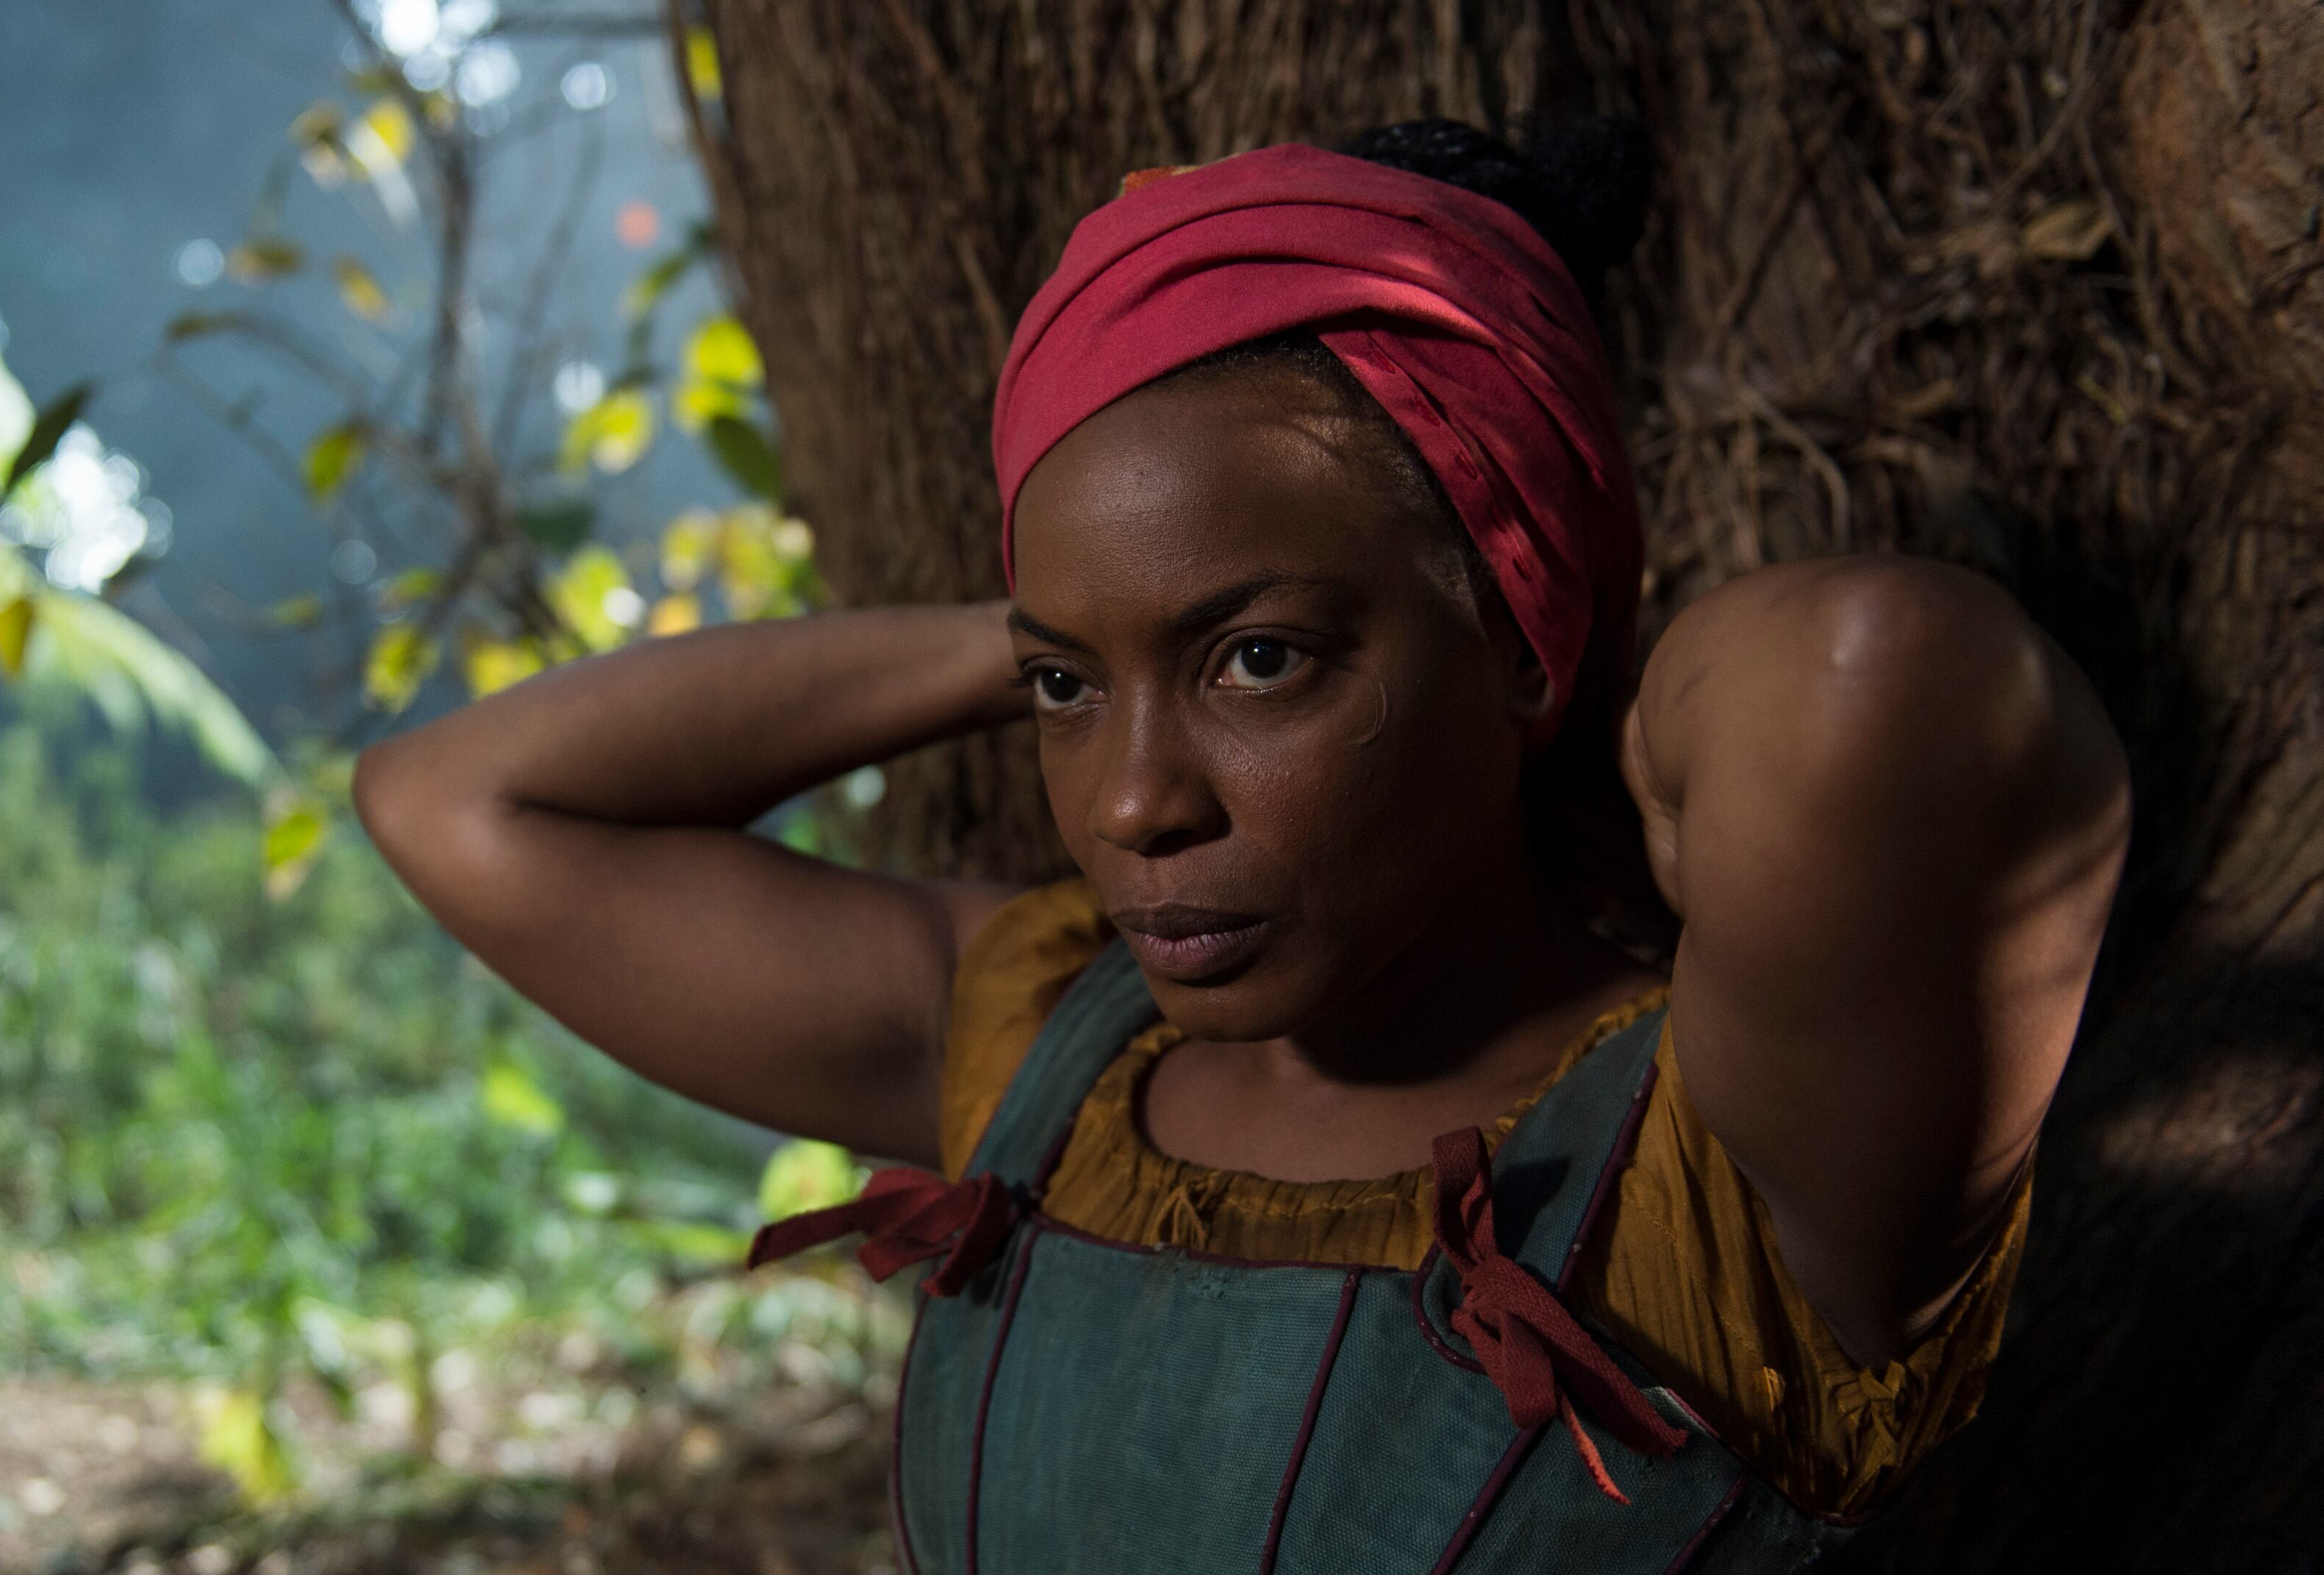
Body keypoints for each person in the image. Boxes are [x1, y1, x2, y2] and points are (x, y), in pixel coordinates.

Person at [355, 118, 2129, 1572]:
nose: (1134, 803)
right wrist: (1090, 621)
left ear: (1518, 635)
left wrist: (1588, 691)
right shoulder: (1045, 1058)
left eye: (1260, 661)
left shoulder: (1729, 1181)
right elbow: (457, 805)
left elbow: (1879, 677)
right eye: (1065, 691)